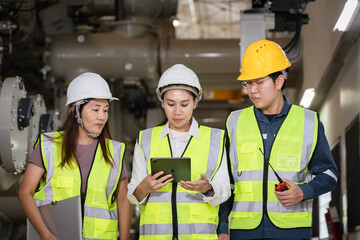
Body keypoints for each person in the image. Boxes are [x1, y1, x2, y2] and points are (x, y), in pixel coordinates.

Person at [217, 40, 339, 240]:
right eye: (248, 83)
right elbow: (227, 181)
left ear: (279, 81)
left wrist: (303, 191)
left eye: (259, 82)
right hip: (244, 232)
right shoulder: (234, 122)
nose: (252, 90)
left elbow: (330, 174)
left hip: (291, 231)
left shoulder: (309, 122)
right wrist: (222, 226)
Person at [18, 72, 131, 240]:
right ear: (76, 111)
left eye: (106, 110)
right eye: (95, 109)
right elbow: (25, 192)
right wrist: (44, 233)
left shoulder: (114, 151)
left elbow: (123, 200)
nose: (102, 116)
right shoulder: (49, 146)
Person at [127, 64, 231, 240]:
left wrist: (207, 188)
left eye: (184, 104)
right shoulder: (145, 139)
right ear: (162, 103)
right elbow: (133, 195)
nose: (177, 112)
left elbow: (225, 190)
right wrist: (145, 186)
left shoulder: (216, 139)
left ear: (195, 102)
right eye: (170, 104)